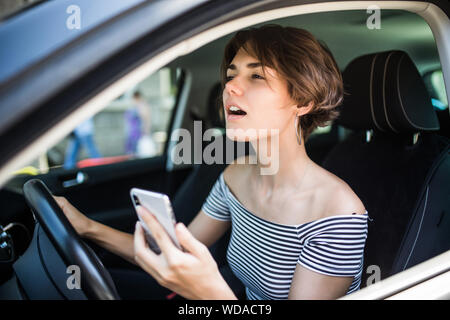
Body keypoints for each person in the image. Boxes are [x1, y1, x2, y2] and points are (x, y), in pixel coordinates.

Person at [54, 24, 369, 300]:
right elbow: (174, 254)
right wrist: (87, 227)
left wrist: (206, 292)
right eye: (232, 75)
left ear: (303, 102)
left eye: (256, 76)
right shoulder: (236, 175)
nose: (230, 87)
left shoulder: (338, 214)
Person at [125, 91, 152, 155]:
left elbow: (146, 119)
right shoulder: (134, 107)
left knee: (137, 152)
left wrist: (145, 132)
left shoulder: (142, 106)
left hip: (138, 134)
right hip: (132, 134)